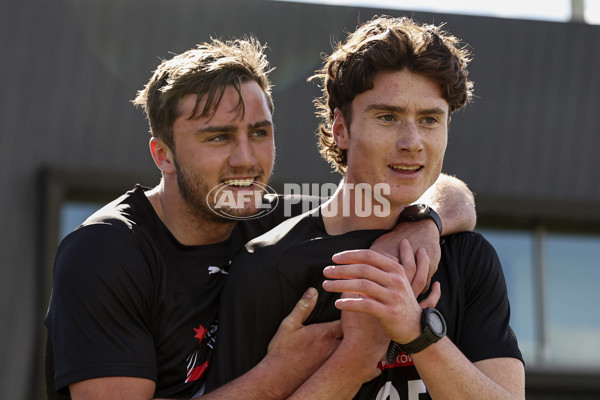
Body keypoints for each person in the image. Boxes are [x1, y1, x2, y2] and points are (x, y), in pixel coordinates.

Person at [44, 36, 477, 399]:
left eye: (259, 133)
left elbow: (454, 195)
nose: (245, 160)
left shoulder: (274, 216)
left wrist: (423, 226)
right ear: (163, 155)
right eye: (218, 137)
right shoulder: (104, 252)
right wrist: (280, 372)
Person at [207, 16, 525, 399]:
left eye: (429, 120)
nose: (412, 142)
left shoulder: (467, 256)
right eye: (387, 117)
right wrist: (357, 354)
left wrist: (416, 332)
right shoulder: (268, 266)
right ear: (340, 128)